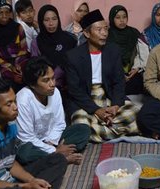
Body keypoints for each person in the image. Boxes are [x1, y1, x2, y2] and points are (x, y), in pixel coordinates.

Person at [65, 10, 139, 142]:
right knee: (80, 122)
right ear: (87, 33)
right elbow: (75, 90)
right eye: (99, 30)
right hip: (86, 99)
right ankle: (116, 130)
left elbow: (119, 81)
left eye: (106, 29)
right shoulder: (73, 56)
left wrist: (115, 106)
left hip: (108, 95)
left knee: (135, 113)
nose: (104, 33)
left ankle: (99, 132)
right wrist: (97, 110)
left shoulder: (113, 50)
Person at [17, 57, 90, 165]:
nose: (52, 84)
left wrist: (52, 143)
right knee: (25, 153)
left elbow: (60, 124)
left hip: (53, 140)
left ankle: (53, 157)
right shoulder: (23, 100)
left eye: (53, 78)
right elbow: (26, 138)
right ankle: (60, 157)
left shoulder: (55, 92)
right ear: (32, 84)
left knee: (83, 129)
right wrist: (54, 150)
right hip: (33, 144)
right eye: (46, 80)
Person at [31, 5, 77, 90]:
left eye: (54, 19)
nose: (51, 23)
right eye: (46, 20)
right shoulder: (36, 43)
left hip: (70, 87)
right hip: (47, 88)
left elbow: (76, 64)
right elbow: (35, 68)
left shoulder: (70, 39)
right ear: (41, 22)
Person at [107, 5, 149, 95]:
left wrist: (136, 68)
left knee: (141, 84)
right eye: (118, 17)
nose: (122, 20)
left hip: (132, 71)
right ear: (112, 19)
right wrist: (119, 73)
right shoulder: (107, 35)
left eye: (124, 17)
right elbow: (106, 58)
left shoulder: (134, 33)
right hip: (113, 73)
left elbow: (140, 54)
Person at [0, 0, 30, 91]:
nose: (4, 16)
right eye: (0, 13)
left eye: (7, 12)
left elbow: (24, 49)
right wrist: (11, 70)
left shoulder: (17, 28)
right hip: (3, 67)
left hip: (20, 62)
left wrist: (18, 66)